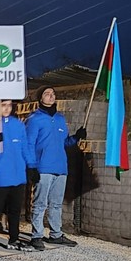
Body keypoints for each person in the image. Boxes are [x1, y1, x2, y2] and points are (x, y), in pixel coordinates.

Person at [26, 86, 86, 250]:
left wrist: (76, 137)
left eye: (53, 94)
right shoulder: (34, 119)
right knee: (39, 203)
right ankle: (36, 235)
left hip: (60, 167)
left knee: (56, 204)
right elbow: (29, 144)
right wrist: (31, 166)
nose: (51, 96)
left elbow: (64, 143)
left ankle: (56, 234)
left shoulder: (60, 119)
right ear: (40, 99)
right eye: (47, 94)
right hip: (43, 167)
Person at [0, 100, 36, 256]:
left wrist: (31, 165)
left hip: (17, 174)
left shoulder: (19, 125)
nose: (7, 108)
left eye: (9, 105)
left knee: (15, 210)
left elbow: (26, 147)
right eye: (4, 105)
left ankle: (14, 238)